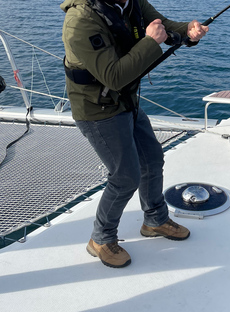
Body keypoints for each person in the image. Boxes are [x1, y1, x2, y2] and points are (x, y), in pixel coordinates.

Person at [60, 0, 208, 268]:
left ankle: (155, 220)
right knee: (125, 176)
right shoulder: (79, 20)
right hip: (97, 109)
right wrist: (151, 42)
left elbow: (164, 26)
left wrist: (188, 30)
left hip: (126, 101)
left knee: (152, 159)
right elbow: (113, 77)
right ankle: (101, 239)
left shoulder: (132, 2)